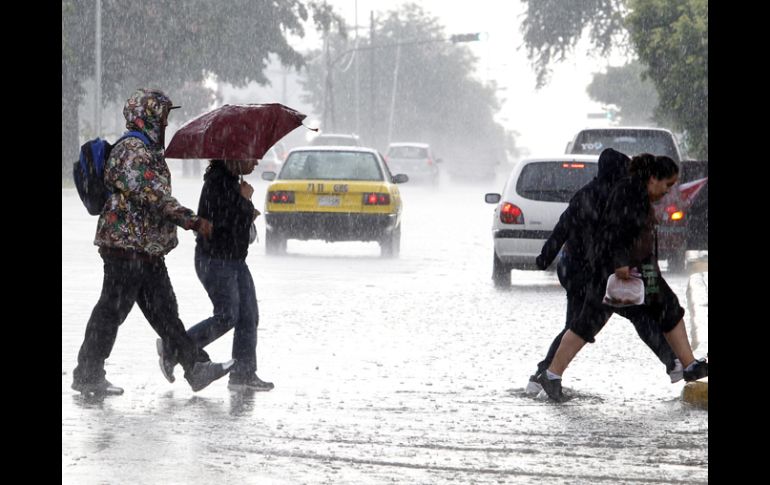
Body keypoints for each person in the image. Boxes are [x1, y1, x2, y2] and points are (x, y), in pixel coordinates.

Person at [71, 88, 234, 396]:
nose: (165, 124)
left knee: (165, 313)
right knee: (111, 312)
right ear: (147, 117)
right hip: (126, 248)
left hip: (144, 250)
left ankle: (195, 368)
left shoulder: (146, 149)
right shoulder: (132, 150)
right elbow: (154, 196)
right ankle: (87, 374)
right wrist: (192, 221)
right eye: (162, 117)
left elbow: (153, 197)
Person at [536, 154, 708, 402]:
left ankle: (687, 364)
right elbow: (615, 228)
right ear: (653, 178)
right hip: (614, 271)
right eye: (667, 185)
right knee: (586, 323)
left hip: (637, 268)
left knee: (668, 307)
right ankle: (551, 374)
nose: (667, 192)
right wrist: (620, 263)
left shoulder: (636, 192)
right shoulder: (627, 192)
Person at [156, 159, 274, 391]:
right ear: (234, 155)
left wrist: (245, 207)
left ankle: (243, 373)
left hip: (235, 260)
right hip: (216, 260)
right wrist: (244, 202)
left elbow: (236, 225)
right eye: (250, 155)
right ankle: (174, 349)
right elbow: (218, 225)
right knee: (227, 315)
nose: (256, 160)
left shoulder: (231, 182)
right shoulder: (217, 183)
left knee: (248, 315)